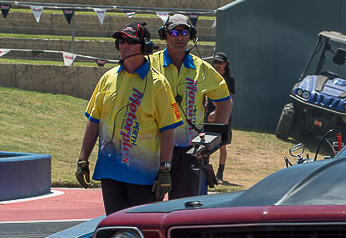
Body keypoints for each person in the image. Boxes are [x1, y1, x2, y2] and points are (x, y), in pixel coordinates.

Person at [76, 23, 183, 215]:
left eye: (131, 41)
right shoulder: (107, 78)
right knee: (116, 226)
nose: (124, 45)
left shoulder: (159, 84)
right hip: (110, 171)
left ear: (145, 46)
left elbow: (168, 130)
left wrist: (165, 169)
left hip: (144, 176)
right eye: (121, 41)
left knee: (143, 227)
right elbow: (93, 121)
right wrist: (82, 160)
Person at [150, 13, 233, 198]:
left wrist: (211, 140)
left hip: (190, 151)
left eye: (184, 32)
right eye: (174, 32)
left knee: (184, 207)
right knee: (149, 207)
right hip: (153, 148)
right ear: (164, 35)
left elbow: (225, 102)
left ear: (191, 36)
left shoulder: (202, 68)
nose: (179, 37)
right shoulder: (150, 64)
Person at [209, 50, 235, 182]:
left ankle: (220, 173)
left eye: (220, 62)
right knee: (205, 143)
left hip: (223, 115)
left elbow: (228, 100)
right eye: (215, 62)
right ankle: (204, 169)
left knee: (222, 145)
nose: (217, 65)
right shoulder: (209, 76)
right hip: (208, 114)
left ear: (225, 64)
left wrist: (216, 112)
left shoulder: (229, 80)